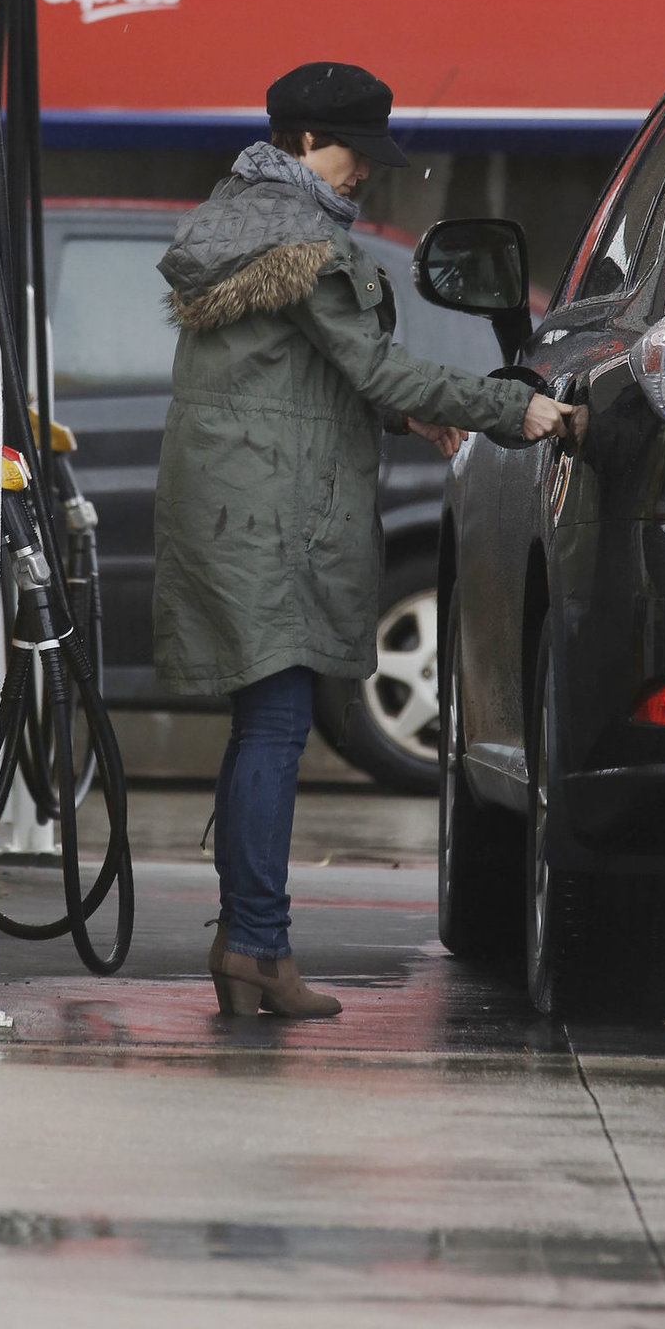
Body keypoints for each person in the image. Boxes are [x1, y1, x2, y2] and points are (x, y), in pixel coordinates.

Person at [152, 61, 580, 1019]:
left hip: (240, 502)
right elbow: (372, 363)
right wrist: (512, 407)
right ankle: (258, 944)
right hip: (269, 512)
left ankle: (246, 940)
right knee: (274, 724)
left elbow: (294, 374)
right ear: (306, 142)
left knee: (263, 721)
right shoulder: (301, 239)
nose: (367, 176)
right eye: (357, 155)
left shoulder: (243, 216)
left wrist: (401, 420)